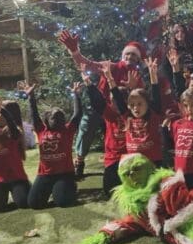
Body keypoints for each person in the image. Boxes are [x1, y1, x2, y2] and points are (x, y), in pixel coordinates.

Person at [58, 30, 147, 177]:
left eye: (134, 55)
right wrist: (74, 51)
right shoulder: (110, 66)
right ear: (123, 55)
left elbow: (140, 100)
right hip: (101, 106)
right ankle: (79, 160)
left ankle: (124, 162)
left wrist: (132, 88)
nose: (130, 57)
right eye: (128, 54)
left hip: (121, 112)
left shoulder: (137, 77)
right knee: (87, 125)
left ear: (138, 59)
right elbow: (86, 64)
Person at [24, 81, 83, 209]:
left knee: (63, 202)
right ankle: (52, 189)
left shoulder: (67, 130)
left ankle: (69, 186)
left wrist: (77, 95)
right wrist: (31, 96)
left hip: (64, 173)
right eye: (54, 118)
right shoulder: (41, 130)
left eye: (61, 117)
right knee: (34, 204)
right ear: (47, 120)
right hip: (45, 174)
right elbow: (34, 114)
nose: (58, 120)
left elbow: (77, 115)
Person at [105, 58, 163, 165]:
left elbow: (155, 94)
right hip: (134, 165)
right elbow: (117, 97)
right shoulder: (127, 117)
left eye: (140, 104)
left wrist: (153, 74)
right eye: (132, 105)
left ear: (148, 104)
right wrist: (109, 78)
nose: (136, 108)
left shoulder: (153, 116)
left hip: (153, 164)